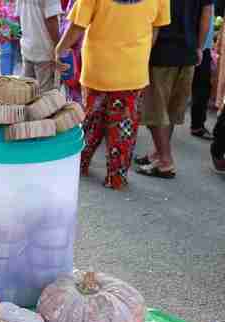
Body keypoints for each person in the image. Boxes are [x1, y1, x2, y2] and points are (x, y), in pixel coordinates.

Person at [56, 0, 170, 190]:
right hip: (133, 73)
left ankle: (78, 166)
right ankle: (116, 178)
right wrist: (139, 53)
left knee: (91, 122)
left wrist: (60, 49)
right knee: (124, 129)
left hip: (98, 70)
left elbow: (78, 25)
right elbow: (156, 28)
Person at [137, 1, 213, 179]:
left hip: (161, 49)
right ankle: (158, 153)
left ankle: (165, 160)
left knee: (155, 109)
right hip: (188, 50)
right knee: (169, 108)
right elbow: (207, 12)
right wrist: (199, 47)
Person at [18, 0, 62, 92]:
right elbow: (51, 20)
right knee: (46, 97)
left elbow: (19, 16)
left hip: (27, 47)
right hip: (45, 51)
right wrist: (59, 47)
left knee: (27, 93)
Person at [190, 7, 215, 140]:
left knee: (202, 87)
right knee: (201, 87)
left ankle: (197, 125)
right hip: (198, 45)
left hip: (200, 44)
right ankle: (197, 126)